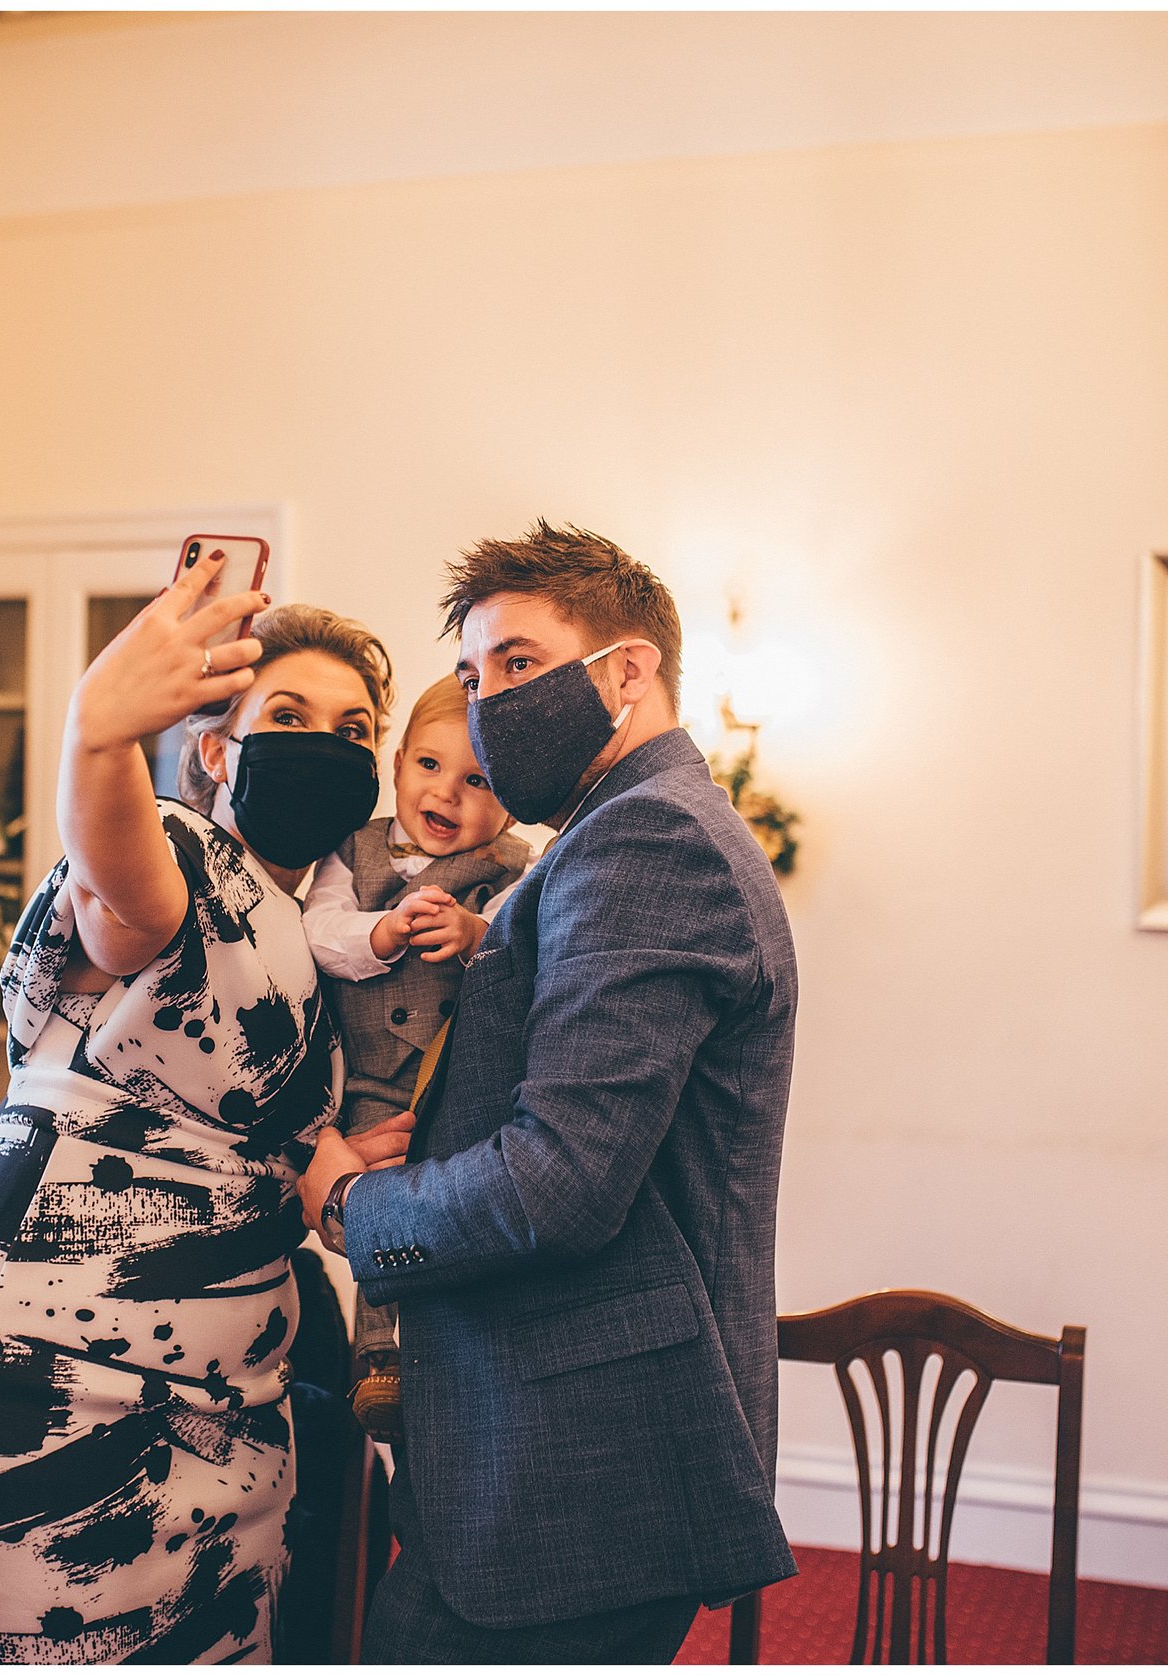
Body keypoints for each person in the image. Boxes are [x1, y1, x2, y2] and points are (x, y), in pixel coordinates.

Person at [301, 519, 800, 1662]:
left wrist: (349, 1209)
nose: (486, 702)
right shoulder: (603, 840)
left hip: (570, 1461)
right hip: (530, 1431)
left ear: (627, 671)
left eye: (518, 663)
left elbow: (558, 1180)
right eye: (472, 676)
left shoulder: (647, 843)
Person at [0, 560, 396, 1665]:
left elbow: (256, 1137)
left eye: (355, 728)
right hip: (54, 1374)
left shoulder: (307, 927)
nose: (327, 744)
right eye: (289, 716)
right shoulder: (187, 851)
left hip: (216, 1384)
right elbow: (119, 895)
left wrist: (348, 1171)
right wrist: (97, 735)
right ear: (216, 749)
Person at [297, 674, 534, 1442]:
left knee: (442, 1211)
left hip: (453, 1082)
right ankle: (376, 1359)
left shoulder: (513, 871)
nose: (448, 794)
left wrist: (471, 938)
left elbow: (524, 951)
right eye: (430, 767)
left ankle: (443, 1356)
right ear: (397, 765)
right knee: (372, 1200)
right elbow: (319, 933)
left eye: (478, 780)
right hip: (364, 1081)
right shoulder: (350, 850)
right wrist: (382, 934)